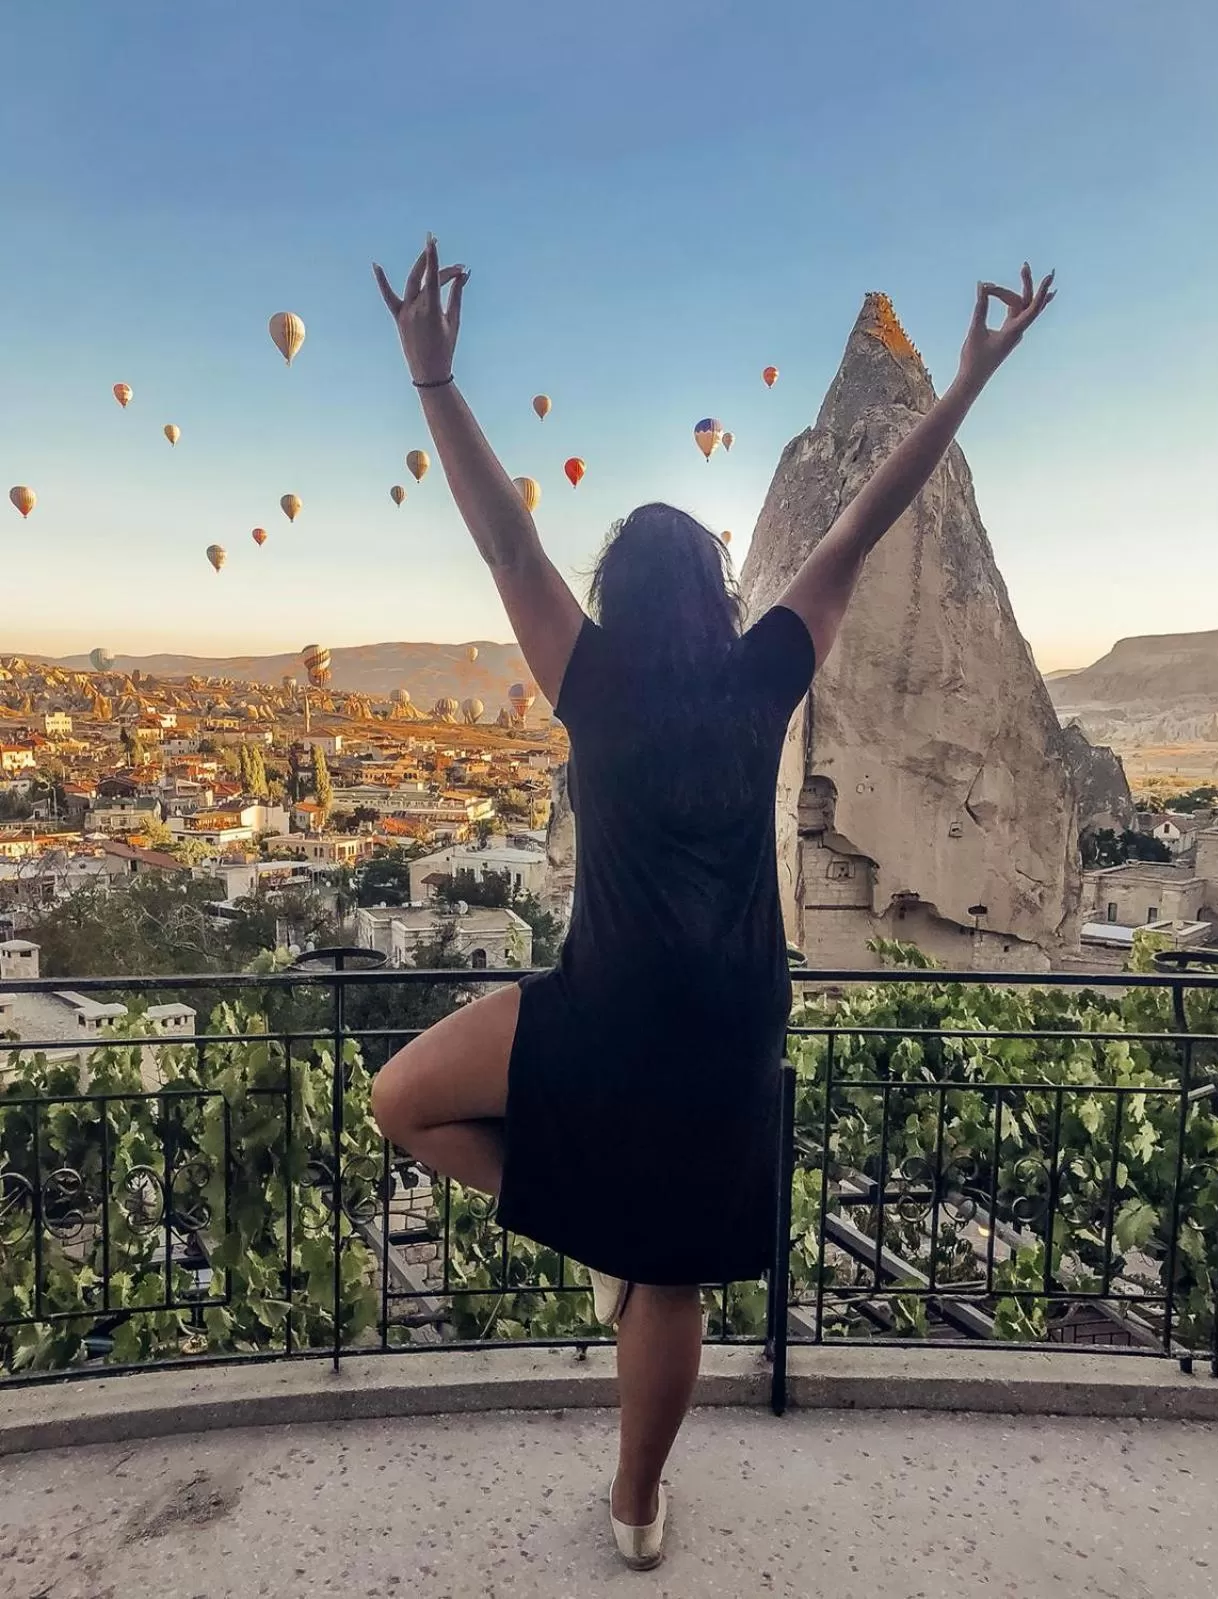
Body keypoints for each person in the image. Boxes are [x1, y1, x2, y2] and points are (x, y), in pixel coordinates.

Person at [369, 236, 1054, 1570]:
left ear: (618, 602)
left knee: (401, 1098)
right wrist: (967, 383)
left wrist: (437, 381)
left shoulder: (596, 681)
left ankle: (593, 1236)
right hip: (734, 1018)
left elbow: (506, 539)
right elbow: (863, 531)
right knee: (670, 1273)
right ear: (718, 596)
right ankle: (637, 1508)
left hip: (613, 1002)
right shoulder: (761, 681)